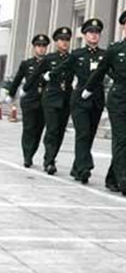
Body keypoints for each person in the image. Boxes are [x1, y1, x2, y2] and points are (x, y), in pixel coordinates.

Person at [82, 7, 126, 196]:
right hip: (118, 100)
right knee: (121, 139)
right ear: (123, 27)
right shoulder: (115, 49)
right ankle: (124, 180)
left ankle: (112, 177)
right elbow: (101, 70)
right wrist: (88, 88)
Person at [26, 27, 73, 175]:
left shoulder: (73, 58)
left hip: (66, 98)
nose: (64, 43)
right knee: (52, 129)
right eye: (61, 40)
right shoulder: (49, 58)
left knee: (60, 131)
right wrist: (26, 89)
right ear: (56, 42)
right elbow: (35, 75)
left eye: (67, 40)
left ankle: (52, 157)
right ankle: (49, 161)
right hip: (51, 98)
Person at [65, 18, 106, 184]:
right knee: (82, 133)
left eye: (97, 33)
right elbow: (64, 70)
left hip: (97, 99)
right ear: (84, 35)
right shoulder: (77, 54)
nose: (94, 35)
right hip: (80, 99)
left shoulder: (105, 55)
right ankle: (84, 168)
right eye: (90, 32)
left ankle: (77, 168)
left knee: (90, 135)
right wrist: (50, 76)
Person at [5, 34, 50, 167]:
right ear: (34, 47)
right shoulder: (27, 64)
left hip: (44, 101)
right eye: (38, 46)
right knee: (29, 128)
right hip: (29, 100)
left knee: (39, 130)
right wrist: (11, 94)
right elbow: (17, 79)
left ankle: (32, 152)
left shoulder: (50, 63)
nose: (41, 48)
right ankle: (27, 156)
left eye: (43, 46)